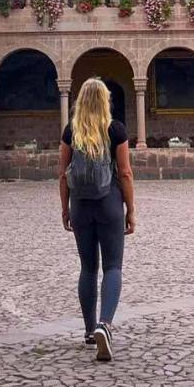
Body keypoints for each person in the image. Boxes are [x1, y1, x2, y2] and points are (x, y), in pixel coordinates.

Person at [59, 78, 135, 362]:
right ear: (105, 101)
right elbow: (125, 173)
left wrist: (65, 209)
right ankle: (105, 324)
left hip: (80, 204)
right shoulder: (115, 130)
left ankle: (90, 331)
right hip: (109, 203)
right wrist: (130, 209)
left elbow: (62, 173)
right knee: (113, 266)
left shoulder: (71, 131)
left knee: (88, 268)